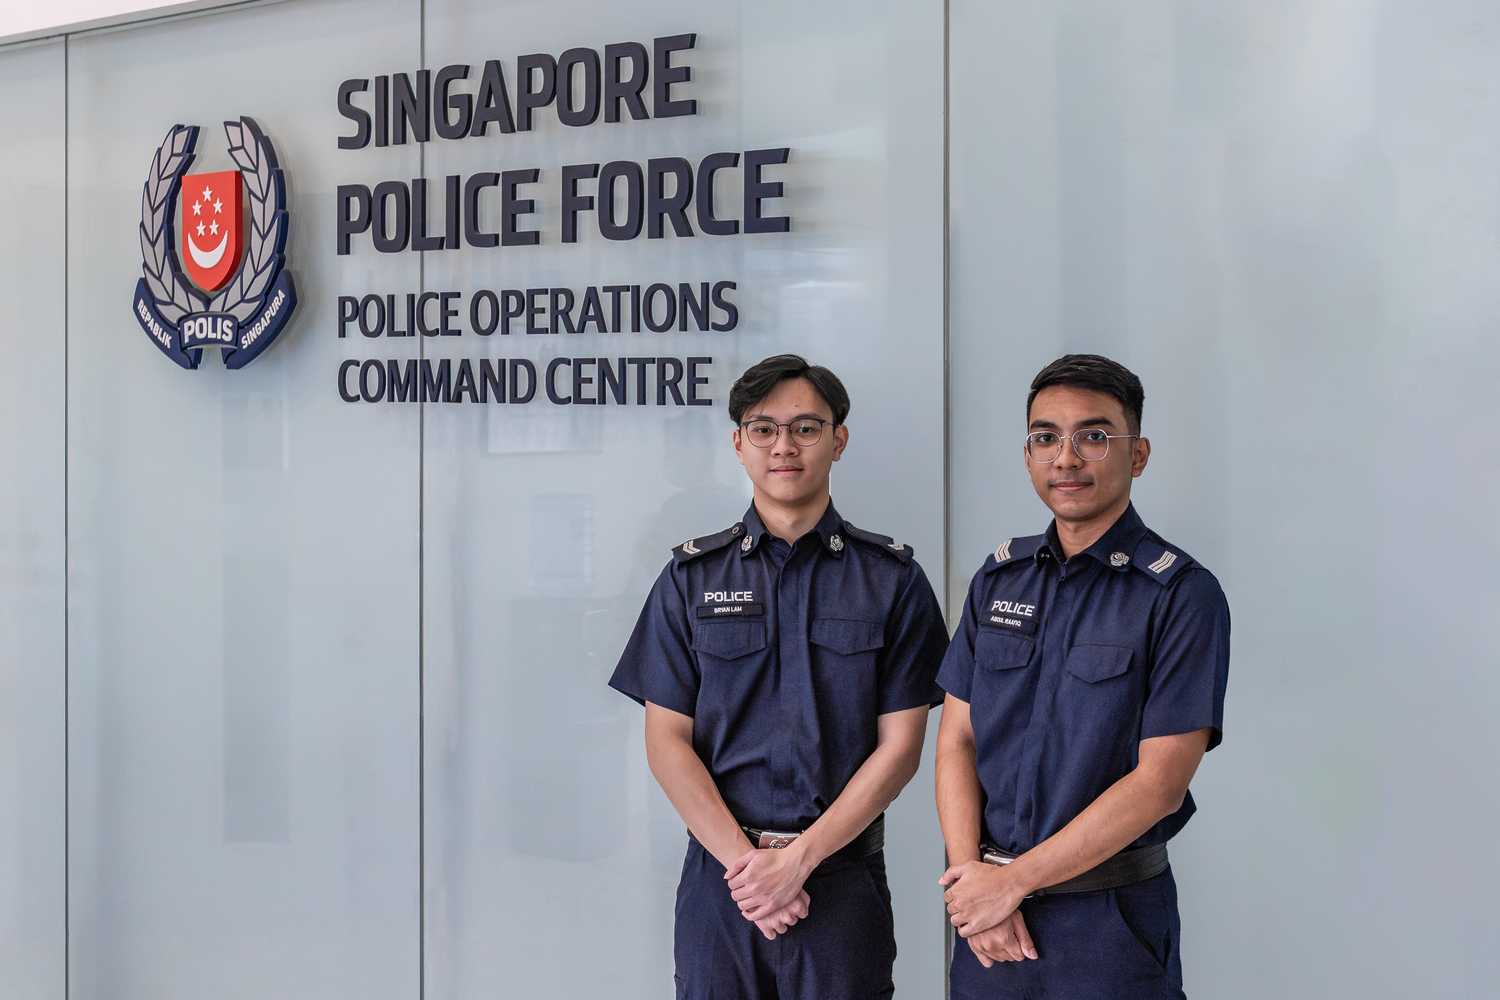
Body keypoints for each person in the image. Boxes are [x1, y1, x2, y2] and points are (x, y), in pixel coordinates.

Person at [609, 353, 950, 999]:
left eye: (806, 427)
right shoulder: (690, 579)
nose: (783, 446)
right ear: (739, 443)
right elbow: (666, 742)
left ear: (837, 440)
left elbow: (901, 749)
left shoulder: (892, 580)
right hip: (722, 884)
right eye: (763, 428)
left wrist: (799, 861)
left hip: (840, 879)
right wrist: (752, 870)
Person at [935, 354, 1231, 999]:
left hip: (1108, 922)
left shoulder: (1180, 594)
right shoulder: (997, 580)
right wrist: (970, 882)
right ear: (1028, 454)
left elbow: (1160, 783)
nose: (1066, 458)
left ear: (1139, 453)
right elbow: (958, 738)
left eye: (1093, 436)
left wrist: (1014, 882)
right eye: (1046, 437)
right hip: (988, 924)